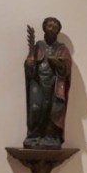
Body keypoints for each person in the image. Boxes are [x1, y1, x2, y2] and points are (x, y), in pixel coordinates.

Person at [24, 17, 72, 149]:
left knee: (52, 110)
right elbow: (29, 66)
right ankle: (33, 136)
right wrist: (29, 64)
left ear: (58, 31)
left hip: (54, 84)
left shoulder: (62, 48)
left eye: (55, 27)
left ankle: (51, 137)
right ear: (44, 28)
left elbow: (67, 68)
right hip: (38, 82)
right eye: (50, 26)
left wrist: (56, 62)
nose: (52, 29)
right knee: (36, 108)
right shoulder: (38, 46)